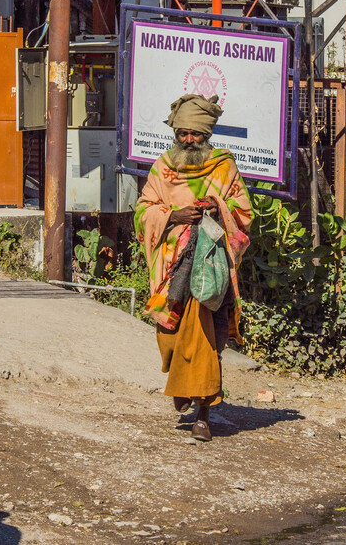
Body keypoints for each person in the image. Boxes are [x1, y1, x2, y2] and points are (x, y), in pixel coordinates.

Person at [134, 93, 253, 442]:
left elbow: (244, 213)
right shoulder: (163, 166)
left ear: (207, 134)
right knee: (168, 336)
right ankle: (182, 386)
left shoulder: (223, 166)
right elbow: (142, 211)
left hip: (209, 265)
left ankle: (204, 411)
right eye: (183, 133)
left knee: (204, 338)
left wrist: (218, 209)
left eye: (195, 134)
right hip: (171, 267)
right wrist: (172, 215)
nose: (188, 140)